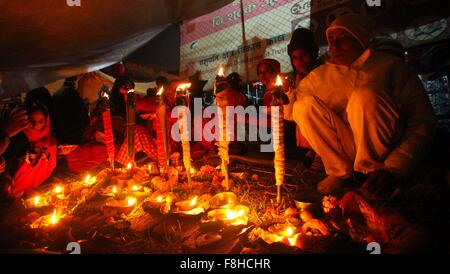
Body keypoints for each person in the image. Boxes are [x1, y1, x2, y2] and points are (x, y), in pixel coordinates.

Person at [289, 14, 437, 195]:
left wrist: (395, 167)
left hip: (386, 155)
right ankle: (341, 173)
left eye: (343, 38)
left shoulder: (391, 67)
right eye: (331, 39)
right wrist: (283, 98)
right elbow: (292, 113)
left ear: (360, 38)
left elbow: (422, 120)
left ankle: (370, 173)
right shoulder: (318, 77)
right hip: (347, 152)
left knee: (365, 95)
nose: (334, 46)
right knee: (302, 107)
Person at [3, 102, 58, 198]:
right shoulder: (17, 138)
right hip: (11, 191)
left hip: (33, 190)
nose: (36, 125)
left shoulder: (50, 140)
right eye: (32, 121)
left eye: (41, 121)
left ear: (46, 121)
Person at [53, 76, 89, 145]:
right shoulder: (73, 93)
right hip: (70, 134)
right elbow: (81, 113)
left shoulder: (56, 93)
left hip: (59, 133)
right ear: (75, 82)